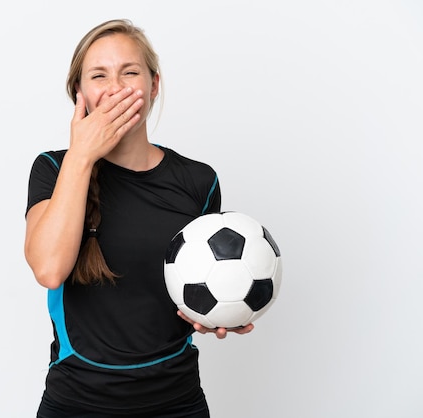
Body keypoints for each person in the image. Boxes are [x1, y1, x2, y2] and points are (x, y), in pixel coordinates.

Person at [24, 19, 254, 417]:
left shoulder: (199, 180)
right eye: (99, 75)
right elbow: (48, 269)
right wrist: (81, 155)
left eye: (130, 72)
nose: (116, 87)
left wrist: (221, 310)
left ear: (154, 85)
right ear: (80, 94)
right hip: (76, 402)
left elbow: (198, 284)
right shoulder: (53, 168)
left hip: (176, 401)